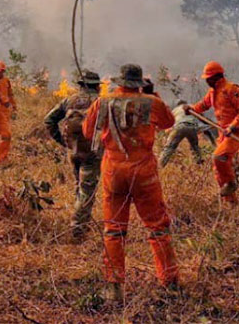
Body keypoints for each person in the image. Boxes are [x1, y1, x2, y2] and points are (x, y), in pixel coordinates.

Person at [83, 64, 178, 302]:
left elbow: (87, 131)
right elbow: (168, 122)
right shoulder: (151, 103)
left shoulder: (102, 102)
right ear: (139, 83)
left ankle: (114, 288)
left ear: (119, 81)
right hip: (144, 172)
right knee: (157, 227)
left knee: (114, 229)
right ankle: (170, 282)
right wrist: (152, 94)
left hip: (113, 171)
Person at [44, 69, 103, 242]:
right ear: (96, 87)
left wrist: (62, 141)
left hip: (73, 151)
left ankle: (83, 221)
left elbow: (49, 120)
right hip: (91, 152)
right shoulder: (100, 102)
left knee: (80, 186)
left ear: (81, 86)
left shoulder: (69, 100)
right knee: (87, 191)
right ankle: (77, 228)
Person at [186, 61, 239, 204]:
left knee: (219, 157)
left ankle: (232, 183)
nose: (207, 81)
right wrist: (190, 109)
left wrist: (232, 127)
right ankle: (231, 203)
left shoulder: (231, 89)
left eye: (208, 78)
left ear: (216, 77)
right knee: (218, 170)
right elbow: (203, 105)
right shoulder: (212, 92)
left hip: (236, 133)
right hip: (223, 133)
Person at [158, 99, 216, 168]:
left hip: (179, 127)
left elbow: (169, 122)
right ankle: (199, 165)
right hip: (192, 127)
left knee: (169, 147)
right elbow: (203, 119)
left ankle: (160, 165)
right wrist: (212, 124)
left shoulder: (175, 110)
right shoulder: (192, 107)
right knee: (195, 148)